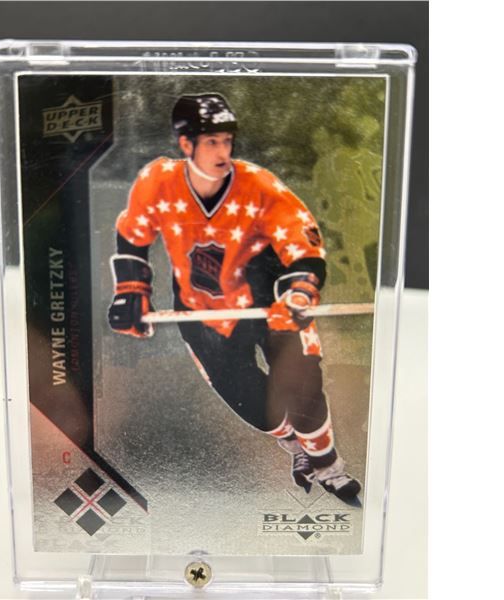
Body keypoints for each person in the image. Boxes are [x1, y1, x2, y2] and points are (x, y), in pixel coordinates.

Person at [108, 93, 361, 503]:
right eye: (211, 142)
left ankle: (328, 467)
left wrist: (300, 289)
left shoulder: (257, 184)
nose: (222, 151)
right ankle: (296, 449)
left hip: (271, 305)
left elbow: (301, 242)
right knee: (258, 408)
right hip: (205, 314)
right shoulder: (158, 181)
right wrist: (131, 292)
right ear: (186, 144)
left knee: (302, 388)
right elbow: (133, 233)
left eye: (226, 141)